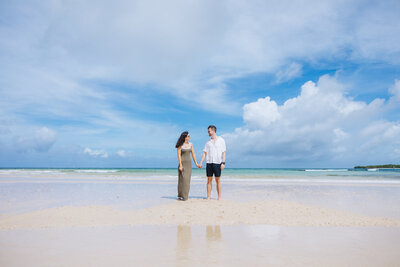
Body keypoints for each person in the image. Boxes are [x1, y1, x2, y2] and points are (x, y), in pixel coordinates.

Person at [199, 125, 226, 200]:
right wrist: (201, 162)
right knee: (209, 180)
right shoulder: (208, 142)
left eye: (209, 131)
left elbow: (224, 152)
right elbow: (204, 153)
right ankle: (208, 197)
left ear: (213, 131)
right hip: (209, 163)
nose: (208, 132)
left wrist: (223, 163)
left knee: (218, 180)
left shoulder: (221, 140)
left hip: (218, 163)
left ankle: (219, 197)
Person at [176, 131, 200, 201]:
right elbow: (179, 156)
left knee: (187, 180)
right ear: (185, 137)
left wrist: (196, 163)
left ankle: (185, 196)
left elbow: (193, 154)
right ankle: (180, 195)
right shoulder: (180, 145)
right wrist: (180, 165)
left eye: (189, 136)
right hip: (182, 163)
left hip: (189, 164)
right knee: (181, 180)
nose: (189, 137)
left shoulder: (191, 144)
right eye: (188, 136)